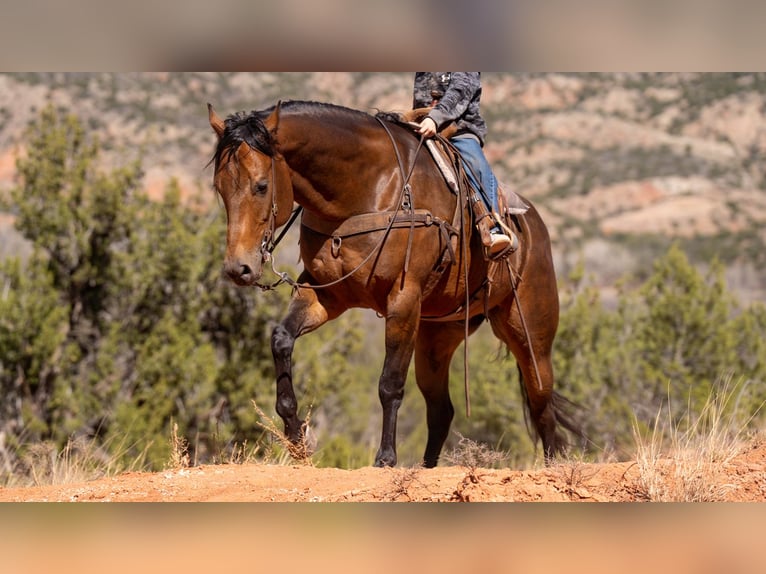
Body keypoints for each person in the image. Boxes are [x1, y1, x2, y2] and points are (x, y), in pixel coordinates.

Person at [413, 72, 512, 257]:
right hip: (423, 125)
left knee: (474, 163)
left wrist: (436, 117)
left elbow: (462, 89)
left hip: (459, 127)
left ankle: (493, 226)